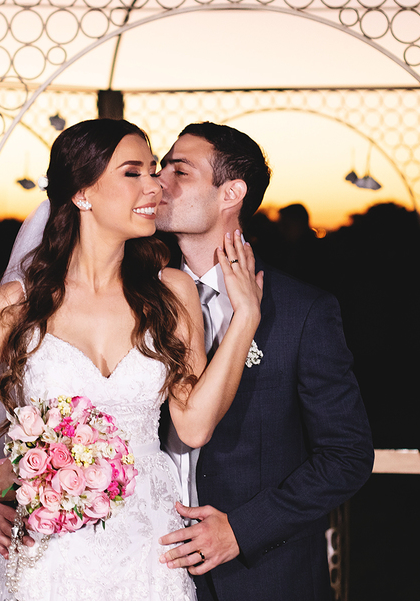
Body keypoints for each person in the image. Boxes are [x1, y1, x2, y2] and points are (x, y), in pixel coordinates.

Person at [0, 119, 264, 601]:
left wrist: (246, 318)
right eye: (133, 173)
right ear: (82, 193)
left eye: (153, 170)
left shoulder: (171, 291)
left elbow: (195, 425)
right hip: (52, 556)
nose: (154, 186)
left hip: (150, 551)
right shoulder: (19, 304)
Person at [155, 122, 374, 601]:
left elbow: (347, 456)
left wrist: (242, 530)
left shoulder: (302, 311)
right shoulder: (138, 300)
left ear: (231, 193)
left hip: (264, 578)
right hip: (149, 563)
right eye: (160, 167)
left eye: (180, 171)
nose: (159, 181)